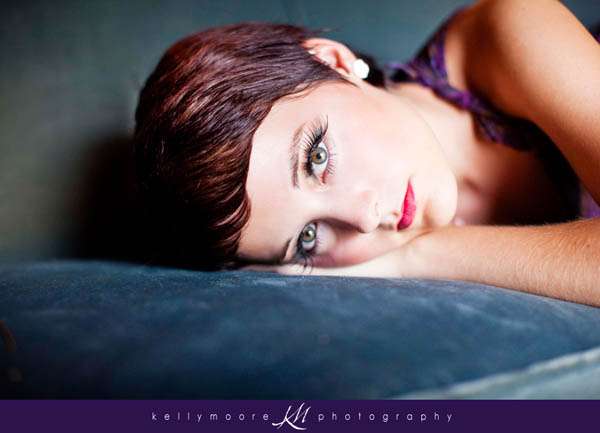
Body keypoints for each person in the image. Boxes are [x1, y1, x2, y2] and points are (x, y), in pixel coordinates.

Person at [133, 0, 600, 306]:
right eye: (308, 238)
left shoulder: (507, 30)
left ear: (333, 61)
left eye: (317, 158)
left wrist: (423, 256)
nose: (364, 218)